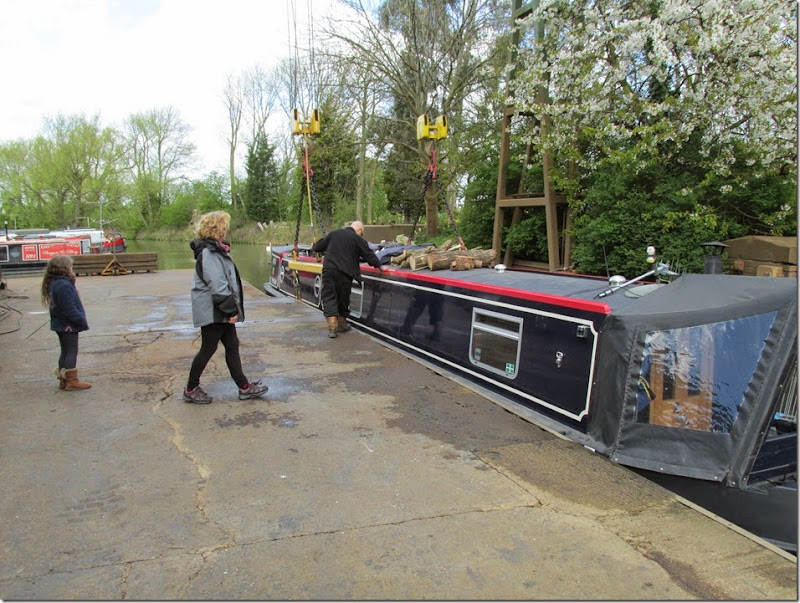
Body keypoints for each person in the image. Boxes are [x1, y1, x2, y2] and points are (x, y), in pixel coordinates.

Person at [183, 211, 269, 404]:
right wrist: (230, 310)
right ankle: (190, 388)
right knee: (208, 348)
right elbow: (218, 284)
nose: (227, 230)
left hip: (217, 309)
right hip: (214, 311)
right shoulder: (209, 252)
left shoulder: (215, 250)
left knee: (231, 345)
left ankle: (244, 387)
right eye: (225, 226)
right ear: (217, 229)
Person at [311, 220, 388, 338]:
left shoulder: (334, 233)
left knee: (329, 296)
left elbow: (318, 246)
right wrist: (380, 266)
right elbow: (369, 255)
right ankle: (342, 323)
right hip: (345, 273)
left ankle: (332, 327)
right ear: (359, 230)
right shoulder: (358, 239)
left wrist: (314, 246)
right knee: (343, 298)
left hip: (329, 270)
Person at [41, 255, 91, 391]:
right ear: (65, 268)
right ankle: (71, 381)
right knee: (71, 351)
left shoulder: (55, 282)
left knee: (65, 351)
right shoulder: (63, 285)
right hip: (67, 324)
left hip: (60, 323)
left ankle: (63, 380)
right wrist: (81, 319)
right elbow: (68, 308)